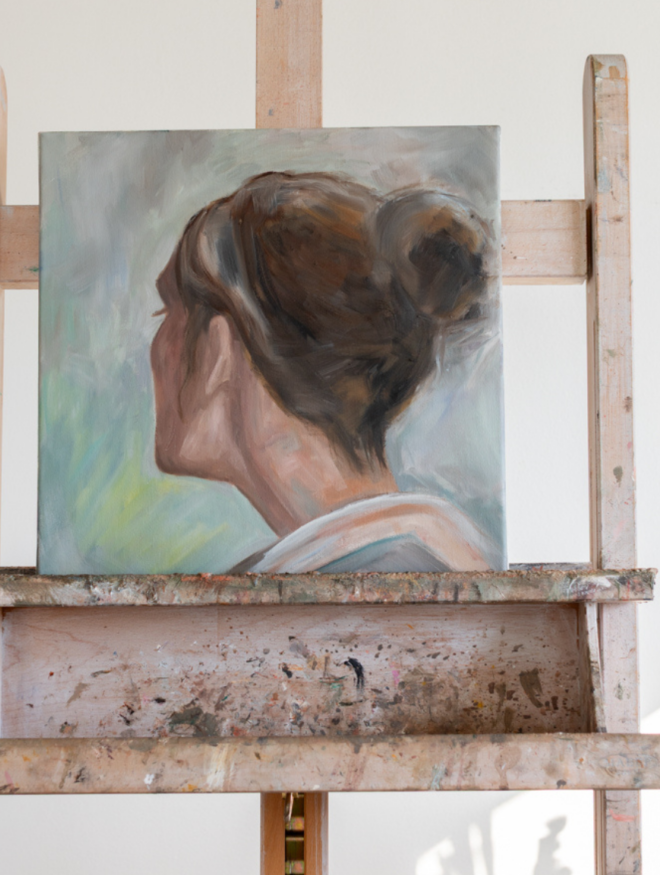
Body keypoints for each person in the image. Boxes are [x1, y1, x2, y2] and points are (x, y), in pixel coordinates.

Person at [150, 170, 499, 573]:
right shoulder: (418, 561)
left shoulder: (372, 574)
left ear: (217, 350)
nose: (155, 347)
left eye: (167, 311)